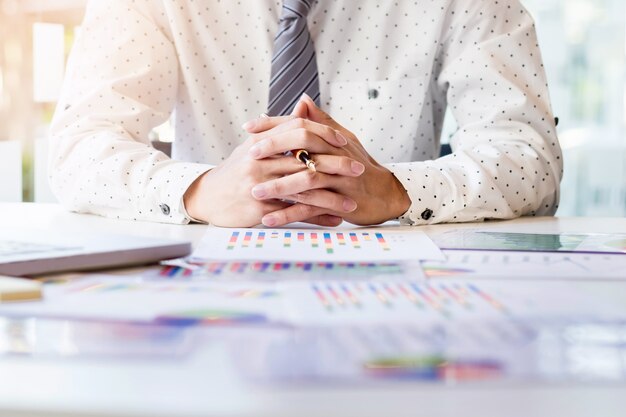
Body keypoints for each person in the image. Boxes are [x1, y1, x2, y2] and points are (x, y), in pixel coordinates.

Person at [49, 0, 563, 228]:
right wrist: (202, 191)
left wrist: (396, 191)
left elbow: (529, 159)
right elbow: (79, 149)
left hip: (400, 293)